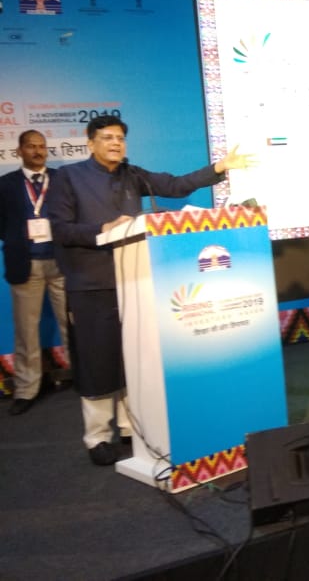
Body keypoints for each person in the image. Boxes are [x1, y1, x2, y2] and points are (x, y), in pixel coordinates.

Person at [48, 115, 253, 466]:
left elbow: (175, 185)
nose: (116, 143)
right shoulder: (68, 177)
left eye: (120, 138)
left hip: (136, 281)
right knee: (98, 362)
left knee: (134, 358)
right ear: (90, 142)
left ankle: (131, 428)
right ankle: (98, 436)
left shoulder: (133, 175)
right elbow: (60, 229)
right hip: (93, 284)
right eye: (107, 137)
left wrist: (219, 167)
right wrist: (103, 228)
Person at [0, 130, 69, 415]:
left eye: (42, 146)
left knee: (72, 325)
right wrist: (16, 239)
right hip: (25, 263)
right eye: (31, 146)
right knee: (26, 331)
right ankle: (27, 389)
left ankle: (85, 378)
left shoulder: (62, 179)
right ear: (19, 151)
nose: (38, 151)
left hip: (62, 262)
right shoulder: (5, 184)